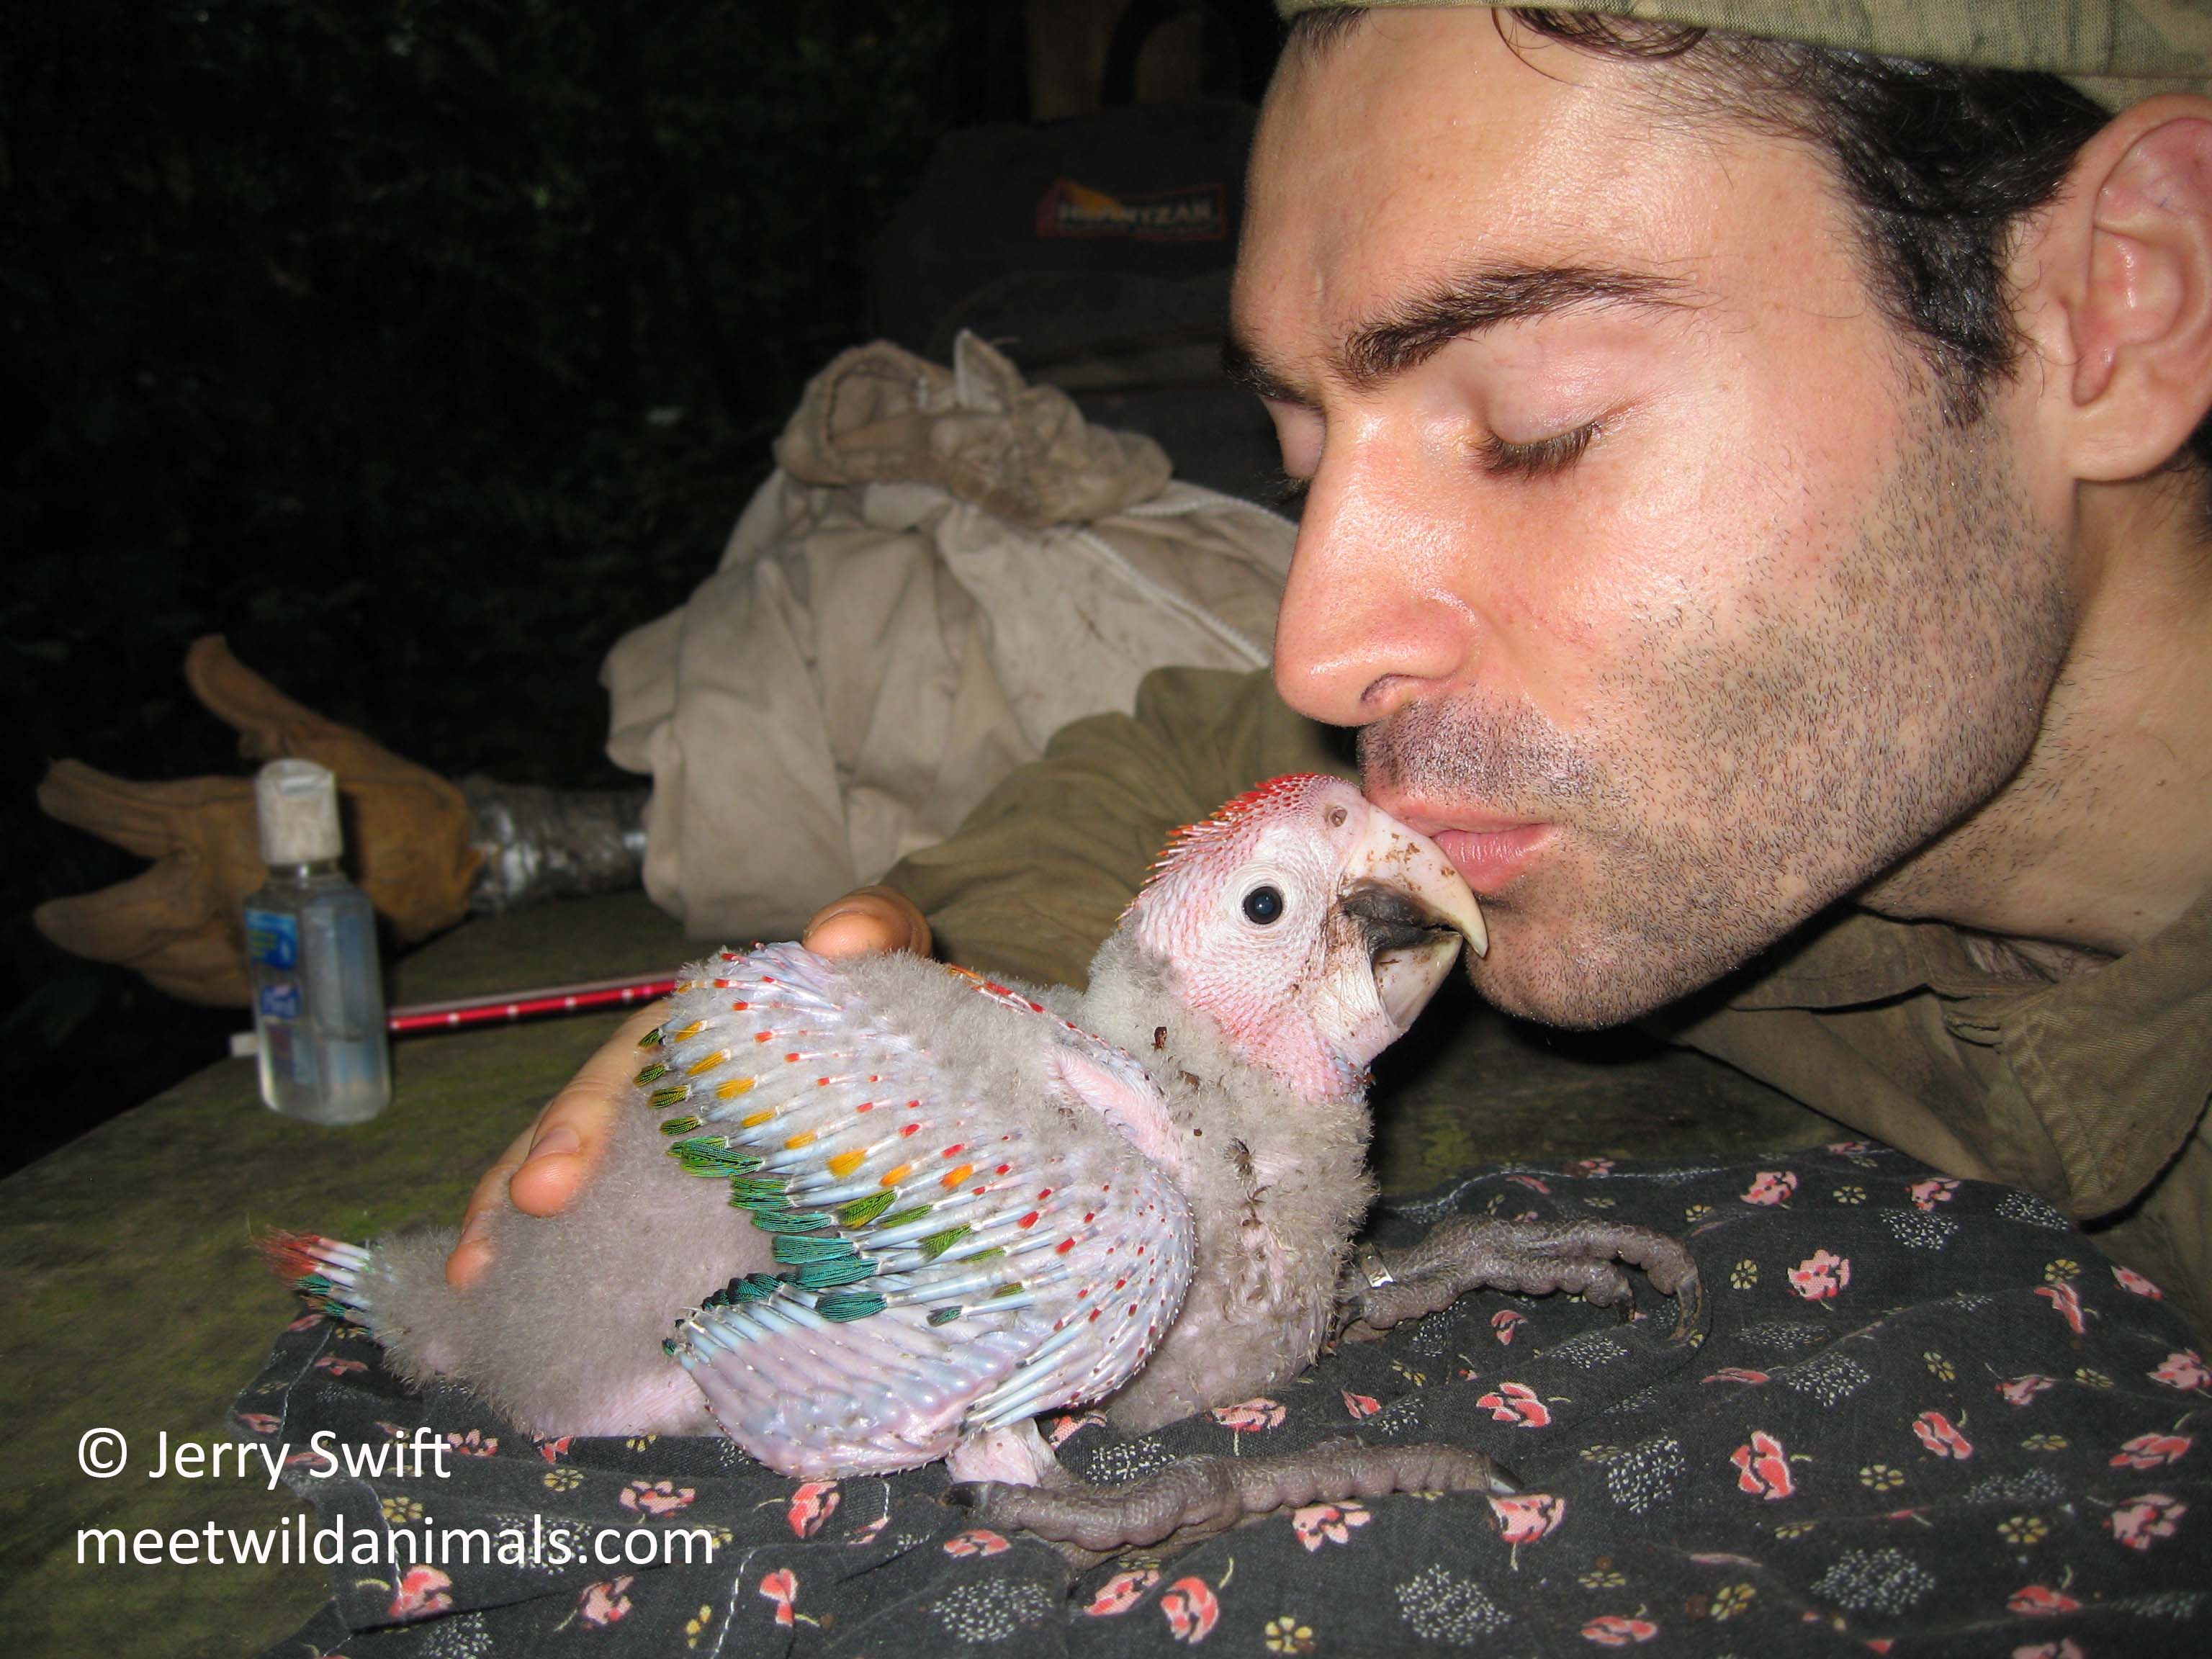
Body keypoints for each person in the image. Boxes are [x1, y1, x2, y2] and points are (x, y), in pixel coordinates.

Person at [453, 1, 2212, 1340]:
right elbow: (1186, 763)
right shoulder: (1743, 764)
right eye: (1304, 456)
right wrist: (973, 1013)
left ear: (2120, 304)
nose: (1320, 642)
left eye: (1537, 432)